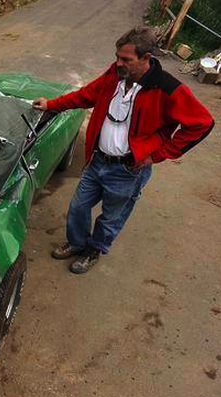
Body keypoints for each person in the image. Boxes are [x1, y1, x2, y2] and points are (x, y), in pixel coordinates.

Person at [32, 26, 214, 274]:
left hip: (128, 170)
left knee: (110, 217)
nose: (118, 63)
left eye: (126, 59)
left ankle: (93, 250)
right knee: (78, 207)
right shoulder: (114, 75)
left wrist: (156, 155)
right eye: (117, 56)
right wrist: (51, 104)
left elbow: (202, 123)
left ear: (146, 58)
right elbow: (85, 95)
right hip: (97, 161)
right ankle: (77, 243)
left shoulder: (167, 88)